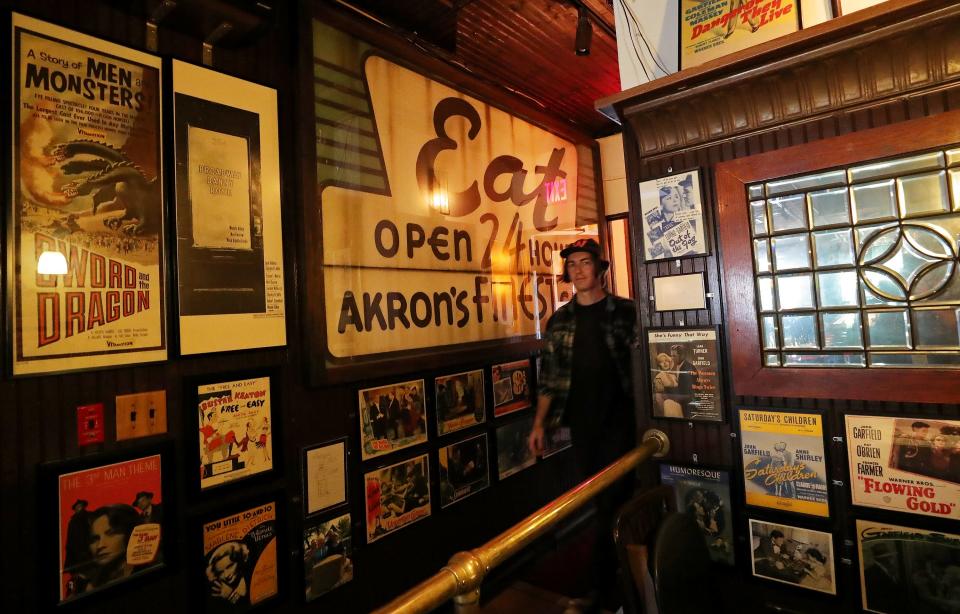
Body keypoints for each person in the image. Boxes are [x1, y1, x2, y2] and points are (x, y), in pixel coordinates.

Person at [528, 237, 637, 612]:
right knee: (596, 500)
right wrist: (539, 424)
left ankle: (605, 588)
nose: (578, 270)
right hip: (583, 426)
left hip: (623, 421)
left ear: (599, 268)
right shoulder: (560, 320)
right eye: (572, 264)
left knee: (613, 500)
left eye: (584, 262)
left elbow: (646, 364)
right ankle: (613, 582)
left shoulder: (626, 312)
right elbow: (550, 377)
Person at [81, 504, 144, 593]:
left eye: (111, 533)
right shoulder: (89, 585)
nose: (100, 545)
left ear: (130, 534)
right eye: (95, 539)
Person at [206, 541, 251, 607]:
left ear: (239, 560)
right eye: (220, 572)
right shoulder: (217, 591)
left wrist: (231, 595)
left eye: (230, 566)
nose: (226, 575)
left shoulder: (250, 577)